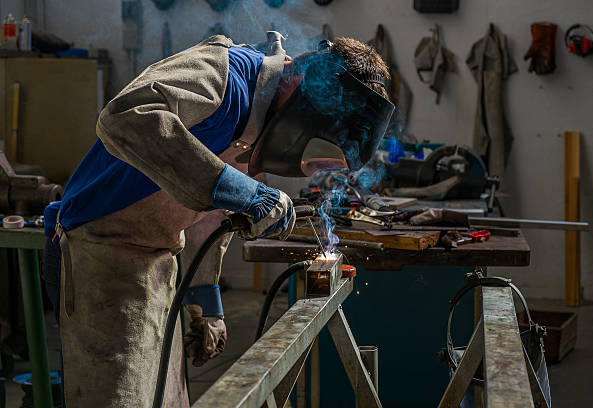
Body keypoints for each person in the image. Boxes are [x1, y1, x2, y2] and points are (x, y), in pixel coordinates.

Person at [43, 31, 394, 407]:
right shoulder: (223, 74)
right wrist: (248, 193)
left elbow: (205, 210)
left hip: (160, 263)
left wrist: (206, 298)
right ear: (306, 85)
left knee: (163, 398)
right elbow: (125, 117)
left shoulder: (254, 122)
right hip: (99, 259)